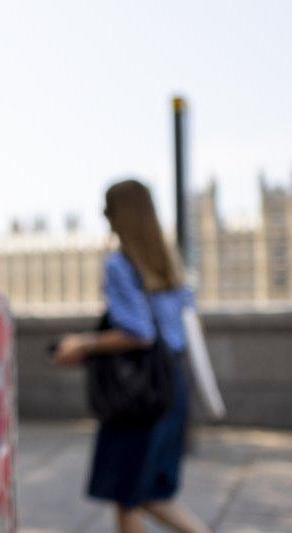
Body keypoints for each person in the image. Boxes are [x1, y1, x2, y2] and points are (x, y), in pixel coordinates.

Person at [53, 179, 209, 533]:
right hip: (173, 389)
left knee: (127, 498)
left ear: (119, 215)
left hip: (140, 396)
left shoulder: (119, 265)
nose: (104, 216)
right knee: (151, 493)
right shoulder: (169, 263)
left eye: (108, 208)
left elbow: (139, 333)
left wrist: (82, 344)